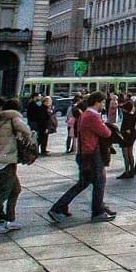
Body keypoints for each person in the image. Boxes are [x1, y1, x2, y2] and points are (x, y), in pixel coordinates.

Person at [49, 93, 118, 223]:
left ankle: (59, 207)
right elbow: (106, 132)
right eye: (102, 103)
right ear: (97, 102)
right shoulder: (92, 116)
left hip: (85, 153)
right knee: (99, 182)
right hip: (92, 154)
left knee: (83, 183)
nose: (103, 105)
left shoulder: (85, 114)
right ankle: (97, 212)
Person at [0, 99, 35, 232]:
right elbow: (26, 130)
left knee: (15, 189)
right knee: (3, 192)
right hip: (7, 159)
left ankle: (10, 219)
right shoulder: (14, 117)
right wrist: (28, 136)